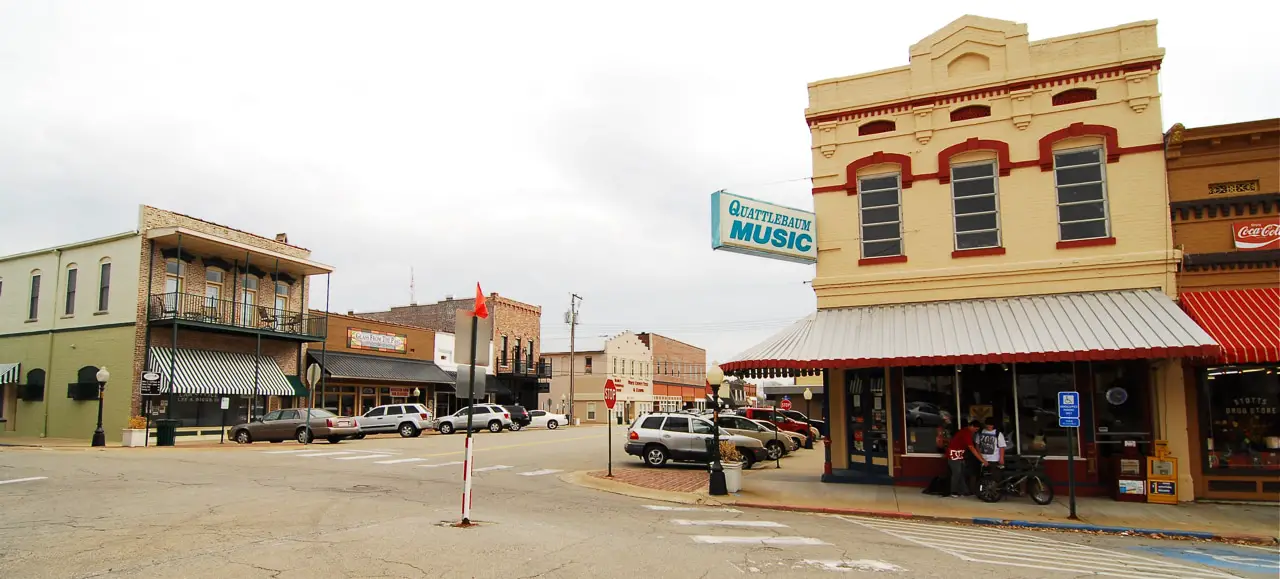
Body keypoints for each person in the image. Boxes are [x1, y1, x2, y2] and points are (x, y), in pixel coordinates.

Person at [946, 420, 987, 497]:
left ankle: (964, 491)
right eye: (976, 429)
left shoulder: (967, 432)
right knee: (956, 473)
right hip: (953, 455)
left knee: (961, 473)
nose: (976, 431)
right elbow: (971, 447)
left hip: (960, 455)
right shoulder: (966, 433)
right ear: (971, 426)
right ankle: (953, 491)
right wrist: (982, 460)